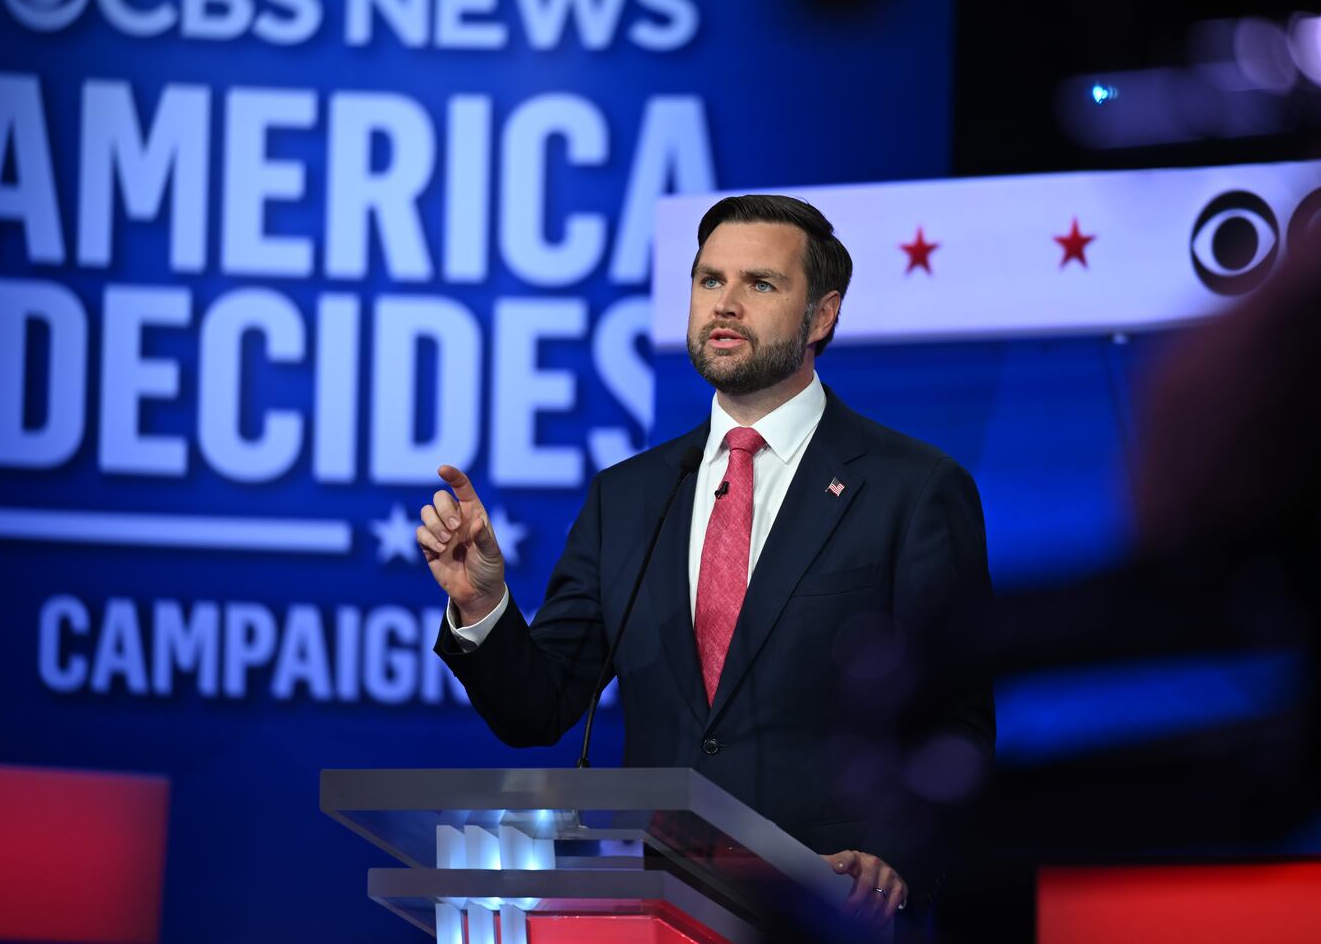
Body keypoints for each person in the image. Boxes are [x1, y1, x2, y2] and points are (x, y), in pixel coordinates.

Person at [416, 194, 996, 931]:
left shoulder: (912, 488)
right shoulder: (628, 496)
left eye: (760, 284)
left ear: (821, 316)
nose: (725, 304)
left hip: (829, 911)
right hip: (659, 911)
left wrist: (895, 857)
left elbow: (956, 726)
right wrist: (482, 607)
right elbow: (539, 708)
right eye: (708, 280)